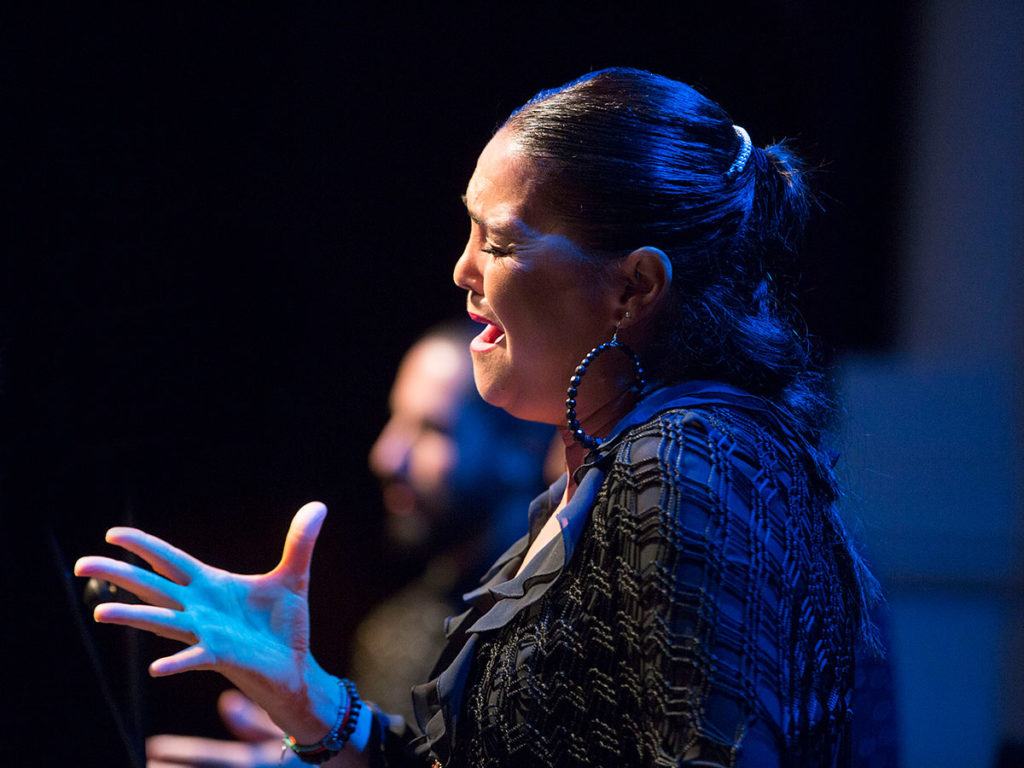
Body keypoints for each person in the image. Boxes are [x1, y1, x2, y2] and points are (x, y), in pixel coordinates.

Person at [76, 67, 881, 767]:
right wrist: (306, 694)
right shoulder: (634, 467)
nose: (463, 269)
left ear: (633, 288)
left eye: (498, 243)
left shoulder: (688, 464)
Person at [141, 321, 553, 766]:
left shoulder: (570, 607)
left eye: (431, 429)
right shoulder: (396, 635)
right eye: (395, 419)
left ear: (522, 449)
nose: (386, 456)